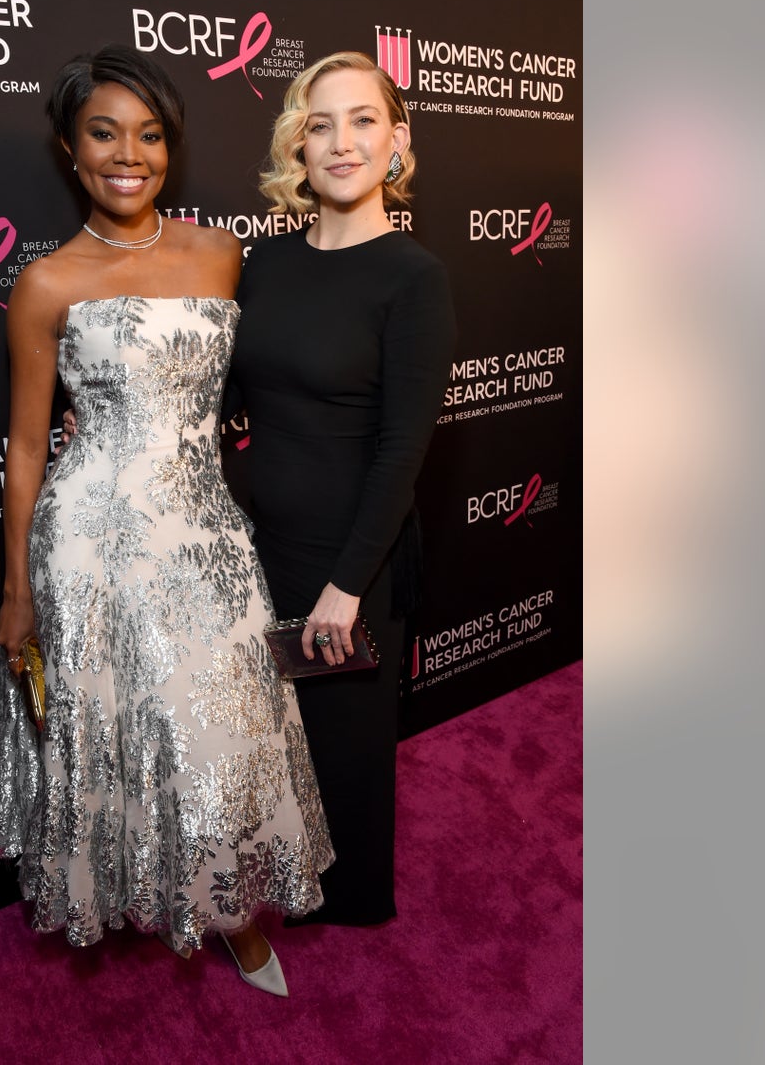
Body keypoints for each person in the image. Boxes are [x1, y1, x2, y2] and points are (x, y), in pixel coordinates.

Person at [0, 45, 331, 997]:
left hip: (205, 535)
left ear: (170, 147)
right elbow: (27, 447)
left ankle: (230, 913)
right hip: (91, 541)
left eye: (148, 135)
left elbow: (270, 376)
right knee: (122, 732)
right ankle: (145, 893)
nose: (127, 155)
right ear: (70, 148)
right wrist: (18, 592)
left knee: (215, 732)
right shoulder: (46, 283)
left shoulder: (221, 253)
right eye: (103, 134)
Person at [229, 52, 456, 927]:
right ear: (299, 144)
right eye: (320, 124)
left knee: (344, 758)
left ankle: (344, 914)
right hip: (264, 547)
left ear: (397, 139)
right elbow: (228, 394)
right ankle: (281, 881)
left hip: (353, 559)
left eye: (363, 120)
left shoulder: (414, 278)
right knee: (271, 742)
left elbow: (403, 449)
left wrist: (347, 586)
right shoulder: (265, 263)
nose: (342, 142)